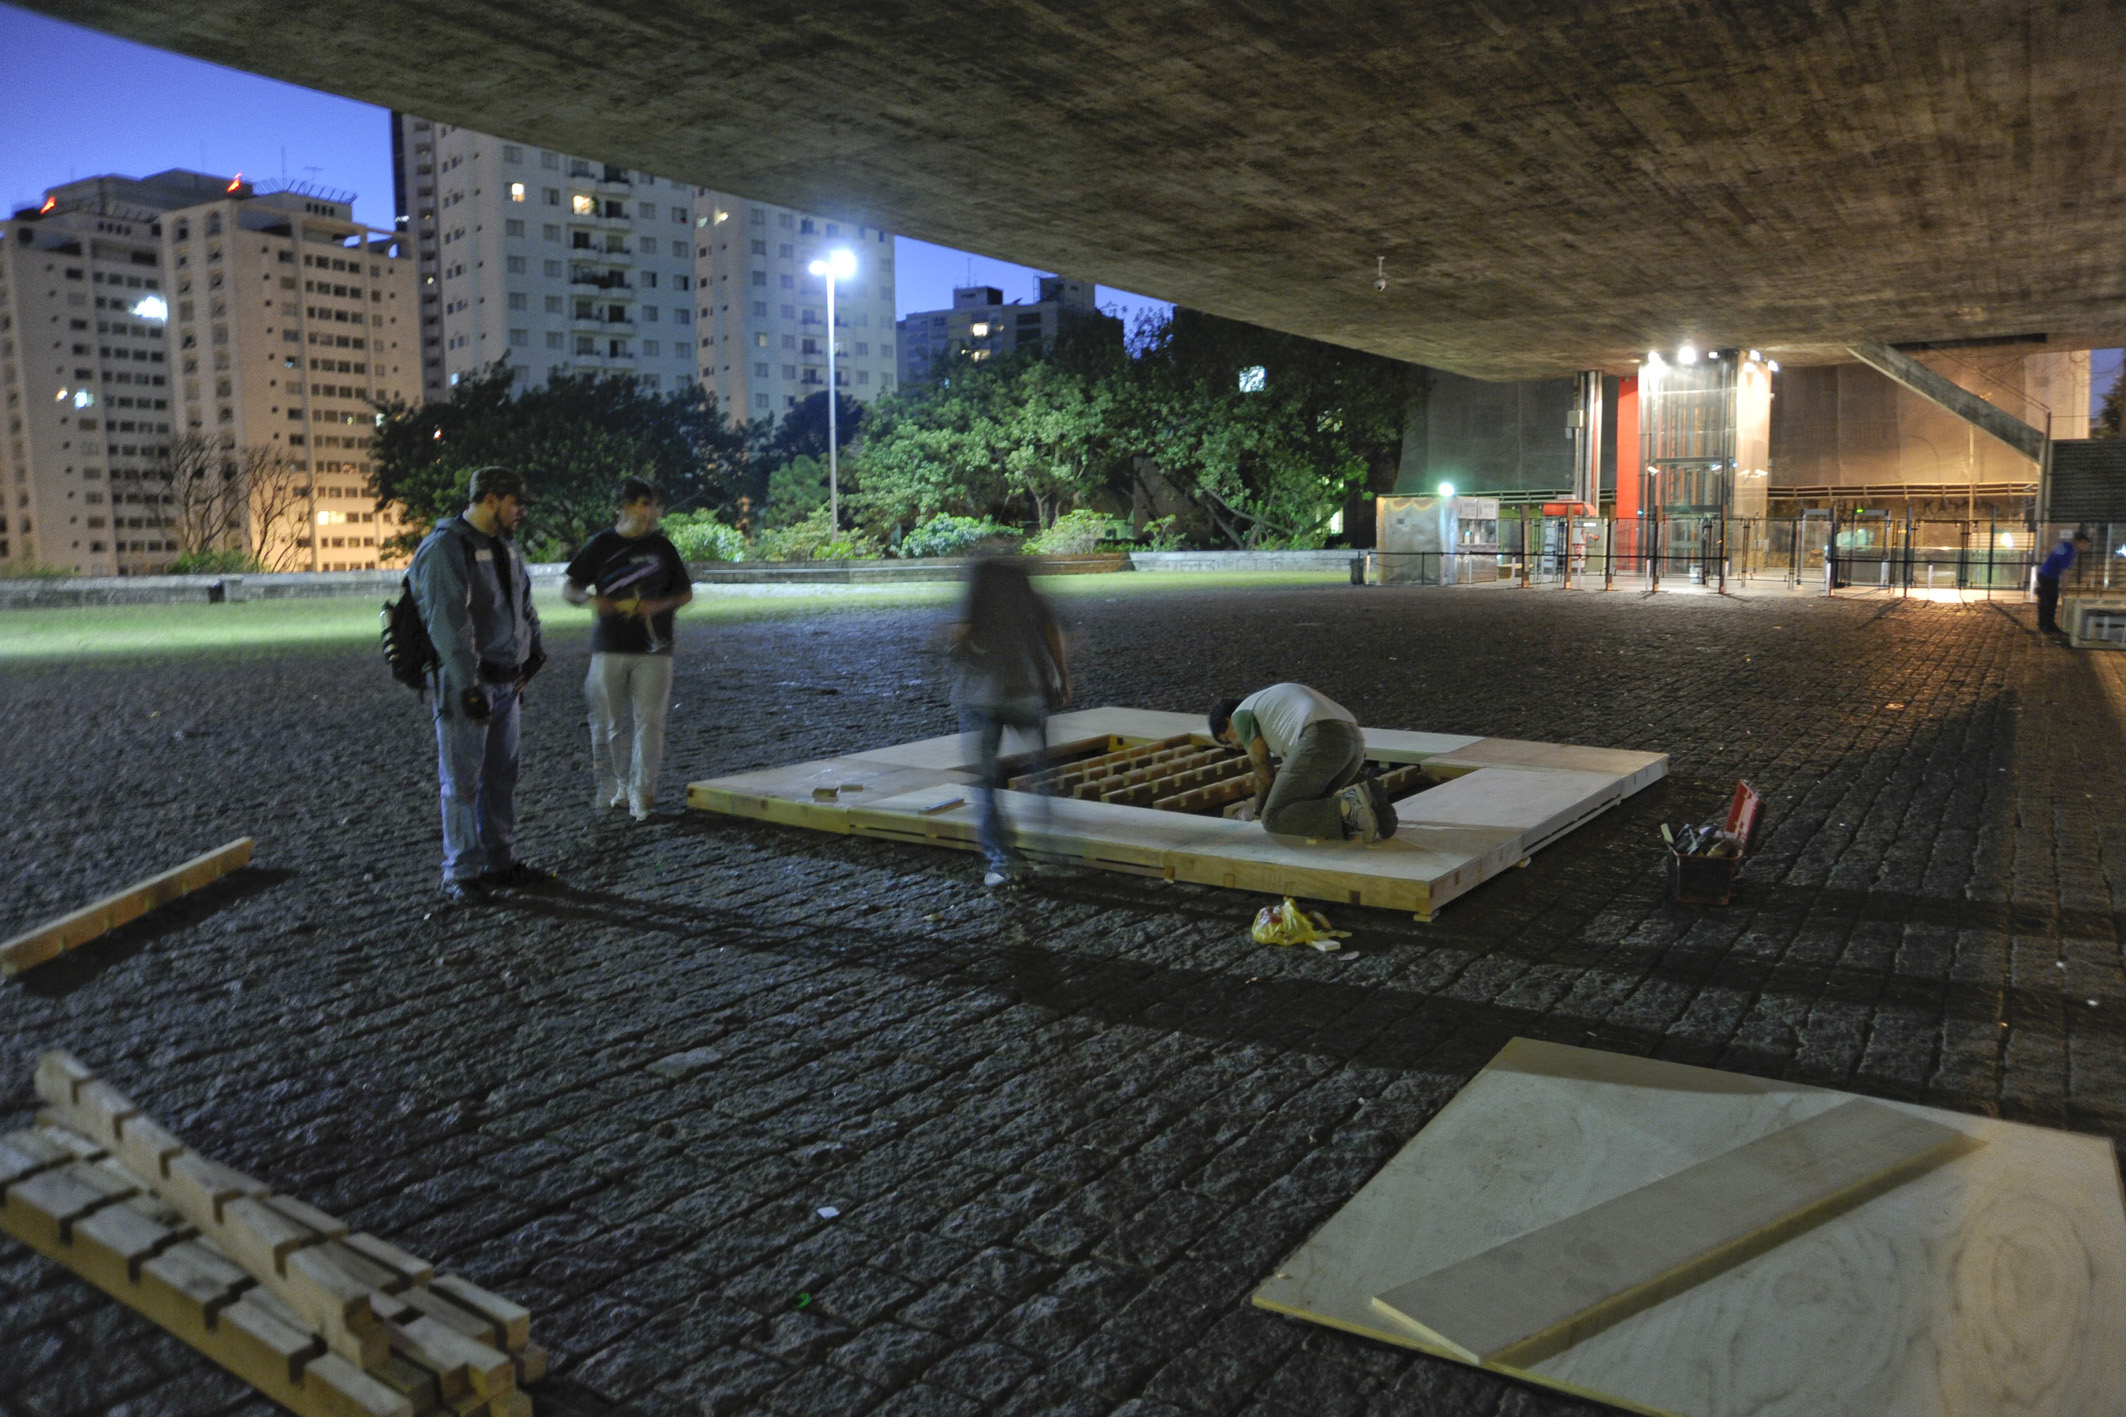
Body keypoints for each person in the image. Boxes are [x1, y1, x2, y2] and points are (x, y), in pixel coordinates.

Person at [408, 465, 551, 902]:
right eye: (515, 502)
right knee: (462, 781)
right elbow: (448, 624)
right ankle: (462, 872)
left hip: (507, 683)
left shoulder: (505, 546)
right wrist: (467, 685)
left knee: (501, 777)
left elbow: (522, 603)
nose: (521, 510)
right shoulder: (445, 548)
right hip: (467, 683)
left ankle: (499, 860)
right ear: (490, 499)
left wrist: (534, 649)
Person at [563, 479, 694, 821]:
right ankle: (622, 785)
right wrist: (593, 600)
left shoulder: (663, 548)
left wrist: (657, 605)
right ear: (622, 507)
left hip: (655, 649)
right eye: (641, 505)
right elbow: (570, 588)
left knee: (650, 722)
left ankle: (643, 792)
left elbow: (684, 594)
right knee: (612, 725)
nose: (648, 512)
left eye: (651, 505)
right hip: (610, 648)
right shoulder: (602, 544)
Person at [951, 549, 1069, 886]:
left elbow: (962, 632)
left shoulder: (980, 574)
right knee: (1041, 768)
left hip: (983, 694)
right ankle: (1050, 842)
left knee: (986, 782)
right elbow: (1051, 630)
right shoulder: (1021, 577)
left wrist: (956, 655)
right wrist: (1060, 675)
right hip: (1027, 690)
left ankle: (1003, 861)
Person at [1210, 684, 1397, 843]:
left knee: (1274, 818)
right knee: (1301, 807)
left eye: (1227, 740)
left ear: (1228, 720)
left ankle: (1351, 806)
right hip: (1353, 744)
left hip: (1321, 738)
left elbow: (1264, 772)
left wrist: (1256, 811)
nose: (1235, 747)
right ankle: (1367, 803)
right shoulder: (1272, 709)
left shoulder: (1241, 714)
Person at [2036, 528, 2091, 635]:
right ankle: (2048, 625)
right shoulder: (2070, 551)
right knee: (2050, 601)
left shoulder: (2065, 545)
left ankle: (2044, 624)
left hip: (2044, 573)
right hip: (2050, 576)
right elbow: (2065, 571)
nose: (2087, 547)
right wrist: (2064, 588)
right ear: (2081, 542)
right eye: (2086, 545)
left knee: (2045, 600)